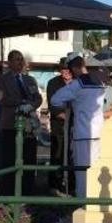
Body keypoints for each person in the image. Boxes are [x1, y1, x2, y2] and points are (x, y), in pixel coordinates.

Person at [50, 56, 112, 197]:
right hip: (99, 132)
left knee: (81, 174)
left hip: (82, 134)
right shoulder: (101, 83)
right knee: (96, 171)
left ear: (73, 68)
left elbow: (55, 100)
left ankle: (82, 203)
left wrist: (70, 104)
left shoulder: (76, 85)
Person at [0, 50, 43, 195]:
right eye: (16, 59)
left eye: (21, 59)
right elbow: (2, 99)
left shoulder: (30, 80)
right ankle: (9, 192)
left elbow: (38, 97)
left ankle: (28, 190)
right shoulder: (2, 80)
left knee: (29, 158)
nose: (20, 62)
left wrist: (32, 105)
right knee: (10, 160)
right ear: (9, 62)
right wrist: (21, 103)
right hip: (11, 124)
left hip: (29, 126)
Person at [44, 59, 74, 191]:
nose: (66, 72)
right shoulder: (53, 83)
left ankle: (72, 185)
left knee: (73, 155)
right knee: (57, 154)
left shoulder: (77, 82)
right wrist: (65, 116)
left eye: (68, 69)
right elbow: (53, 106)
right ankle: (54, 185)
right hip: (59, 125)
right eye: (63, 69)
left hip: (75, 124)